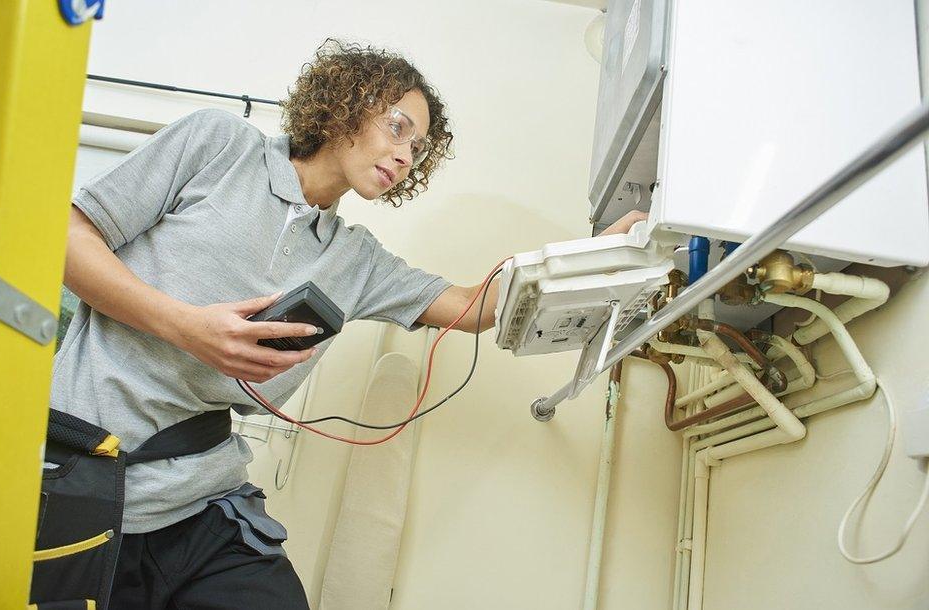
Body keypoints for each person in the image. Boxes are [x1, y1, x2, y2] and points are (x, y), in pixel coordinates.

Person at [45, 40, 645, 609]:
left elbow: (476, 305)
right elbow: (67, 239)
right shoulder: (220, 146)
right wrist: (186, 327)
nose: (407, 155)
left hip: (203, 500)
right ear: (346, 105)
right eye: (397, 128)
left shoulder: (354, 259)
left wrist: (589, 258)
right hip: (78, 481)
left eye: (418, 147)